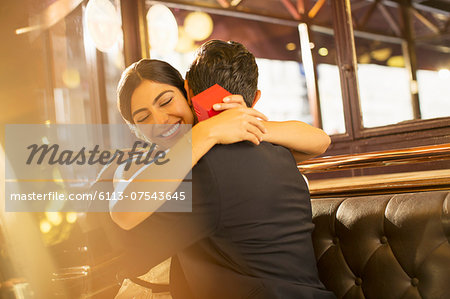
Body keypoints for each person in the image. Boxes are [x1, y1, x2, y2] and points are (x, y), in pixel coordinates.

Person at [112, 40, 335, 298]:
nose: (160, 121)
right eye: (142, 117)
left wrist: (232, 125)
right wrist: (211, 129)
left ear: (186, 91)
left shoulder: (211, 166)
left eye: (165, 101)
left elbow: (320, 140)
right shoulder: (277, 152)